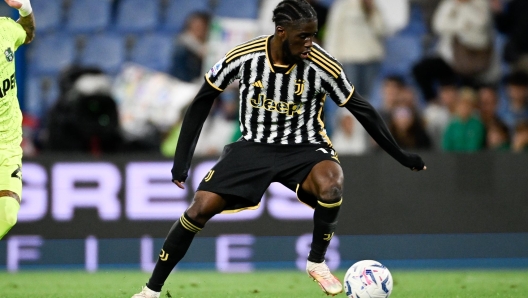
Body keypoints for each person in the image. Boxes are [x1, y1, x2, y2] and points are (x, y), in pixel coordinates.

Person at [132, 1, 426, 297]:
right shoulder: (244, 56)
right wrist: (182, 159)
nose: (310, 43)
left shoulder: (323, 65)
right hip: (253, 147)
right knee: (198, 209)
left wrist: (400, 155)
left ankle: (316, 262)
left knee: (332, 184)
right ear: (282, 32)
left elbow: (362, 109)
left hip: (305, 147)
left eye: (313, 35)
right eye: (303, 36)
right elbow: (202, 100)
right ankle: (150, 291)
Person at [0, 0, 35, 239]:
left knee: (9, 215)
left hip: (8, 144)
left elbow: (28, 32)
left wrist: (25, 8)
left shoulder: (4, 30)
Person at [169, 11, 211, 83]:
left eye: (201, 27)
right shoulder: (181, 46)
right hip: (185, 83)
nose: (198, 30)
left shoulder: (212, 45)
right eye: (195, 27)